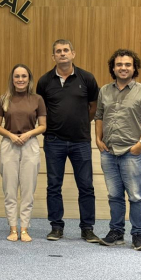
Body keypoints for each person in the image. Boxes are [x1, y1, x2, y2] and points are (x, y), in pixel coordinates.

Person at [36, 39, 100, 243]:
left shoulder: (87, 78)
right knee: (54, 186)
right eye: (58, 51)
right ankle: (56, 227)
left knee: (86, 186)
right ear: (53, 56)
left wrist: (81, 123)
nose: (62, 54)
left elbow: (94, 107)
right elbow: (40, 109)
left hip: (80, 141)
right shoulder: (44, 81)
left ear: (73, 53)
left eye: (66, 50)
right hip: (53, 141)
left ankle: (87, 228)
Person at [95, 49, 141, 251]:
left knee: (136, 196)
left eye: (127, 65)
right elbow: (99, 116)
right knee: (114, 196)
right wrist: (98, 139)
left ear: (134, 68)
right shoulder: (104, 91)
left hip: (132, 152)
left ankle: (138, 235)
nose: (123, 68)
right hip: (108, 152)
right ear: (113, 68)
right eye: (119, 65)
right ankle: (116, 233)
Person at [0, 64, 47, 242]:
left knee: (27, 189)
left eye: (24, 76)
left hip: (30, 144)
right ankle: (13, 228)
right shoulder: (4, 99)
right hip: (9, 144)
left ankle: (24, 229)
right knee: (9, 190)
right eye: (17, 76)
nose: (20, 79)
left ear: (29, 79)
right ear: (12, 79)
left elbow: (43, 126)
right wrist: (11, 136)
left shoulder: (37, 99)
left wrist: (28, 134)